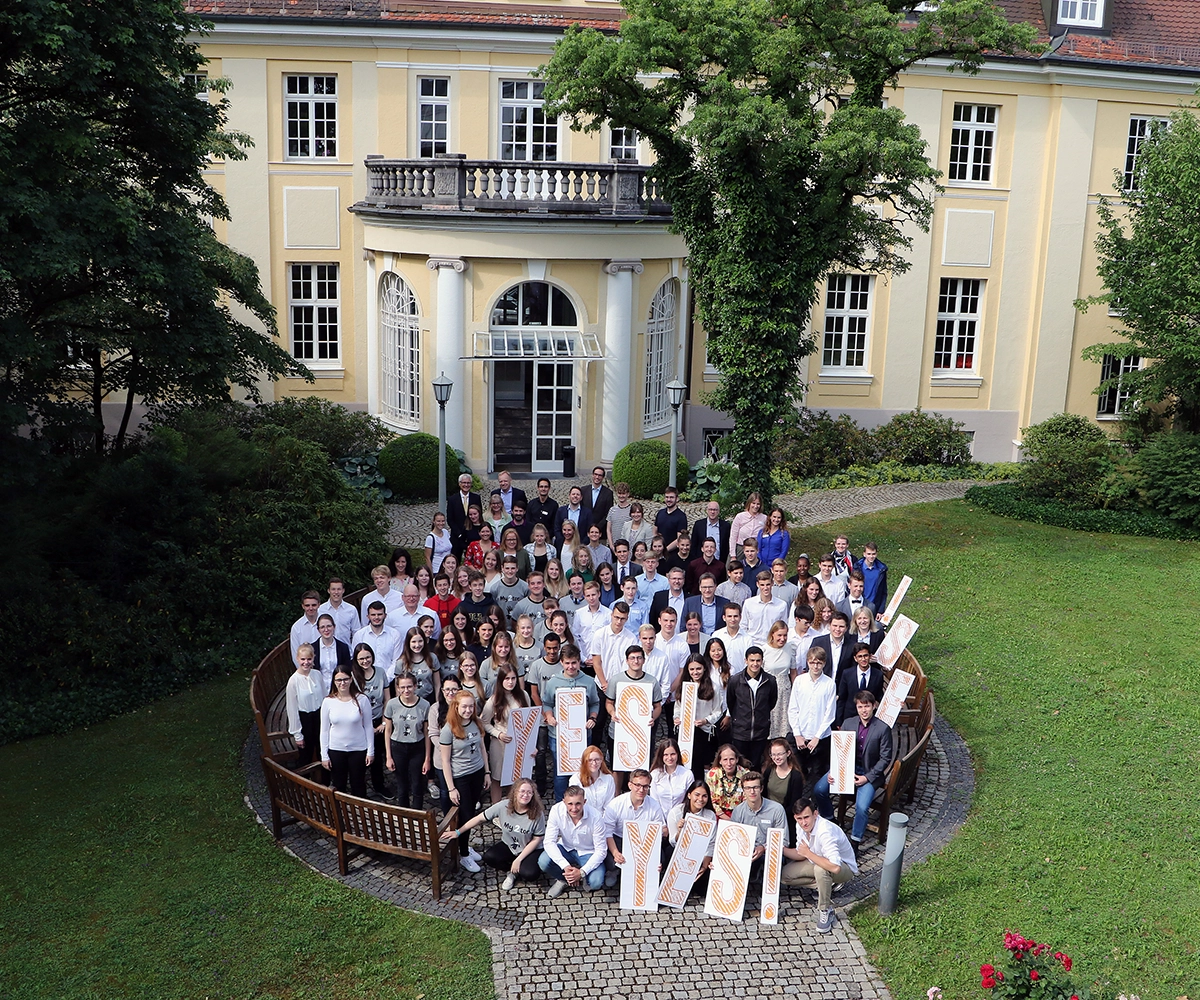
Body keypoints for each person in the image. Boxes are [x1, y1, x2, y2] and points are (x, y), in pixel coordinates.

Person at [813, 690, 894, 850]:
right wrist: (833, 770)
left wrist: (867, 778)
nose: (864, 710)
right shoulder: (848, 723)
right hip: (845, 768)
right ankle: (831, 819)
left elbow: (885, 758)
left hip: (868, 772)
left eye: (867, 706)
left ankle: (855, 841)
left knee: (862, 807)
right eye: (860, 707)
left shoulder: (883, 728)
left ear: (873, 706)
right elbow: (838, 749)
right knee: (819, 789)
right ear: (856, 708)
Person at [782, 796, 859, 934]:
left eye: (807, 817)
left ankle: (825, 909)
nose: (804, 823)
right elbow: (801, 853)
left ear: (815, 814)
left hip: (844, 867)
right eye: (800, 819)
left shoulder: (825, 832)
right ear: (795, 818)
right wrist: (780, 849)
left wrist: (809, 854)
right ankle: (827, 885)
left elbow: (835, 867)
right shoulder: (800, 826)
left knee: (821, 870)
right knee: (785, 876)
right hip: (818, 861)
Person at [539, 643, 601, 800]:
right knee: (560, 773)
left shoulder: (588, 681)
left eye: (574, 663)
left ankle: (580, 801)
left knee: (582, 769)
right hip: (558, 735)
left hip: (582, 734)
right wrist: (549, 716)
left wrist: (592, 717)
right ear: (561, 662)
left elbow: (595, 703)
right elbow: (547, 703)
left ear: (579, 662)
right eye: (567, 663)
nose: (571, 666)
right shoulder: (553, 682)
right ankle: (561, 803)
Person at [439, 690, 491, 872]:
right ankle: (464, 854)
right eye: (464, 707)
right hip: (460, 776)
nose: (468, 710)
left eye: (471, 706)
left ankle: (465, 845)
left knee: (472, 811)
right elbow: (445, 761)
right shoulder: (448, 730)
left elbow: (482, 748)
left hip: (477, 772)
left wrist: (487, 772)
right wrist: (451, 788)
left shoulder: (476, 723)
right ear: (456, 707)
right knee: (466, 814)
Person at [604, 643, 663, 790]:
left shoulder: (651, 681)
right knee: (618, 766)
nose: (636, 661)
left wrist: (653, 718)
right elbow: (609, 702)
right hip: (618, 730)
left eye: (638, 658)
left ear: (643, 660)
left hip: (641, 732)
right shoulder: (616, 680)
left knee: (640, 766)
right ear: (627, 660)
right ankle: (617, 795)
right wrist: (612, 713)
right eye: (632, 658)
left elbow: (657, 706)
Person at [539, 784, 607, 897]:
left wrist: (581, 872)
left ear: (584, 802)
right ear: (564, 801)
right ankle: (565, 879)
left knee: (596, 882)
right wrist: (565, 866)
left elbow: (601, 851)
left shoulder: (596, 816)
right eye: (570, 804)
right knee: (543, 861)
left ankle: (581, 877)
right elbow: (549, 842)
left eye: (578, 804)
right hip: (566, 847)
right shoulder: (556, 810)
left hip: (588, 851)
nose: (574, 808)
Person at [602, 767, 666, 888]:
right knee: (611, 862)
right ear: (630, 785)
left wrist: (653, 857)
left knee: (660, 859)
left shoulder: (654, 805)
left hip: (644, 841)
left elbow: (659, 833)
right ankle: (614, 871)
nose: (641, 790)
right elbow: (607, 832)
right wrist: (615, 853)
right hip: (620, 838)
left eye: (645, 786)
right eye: (638, 785)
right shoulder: (615, 804)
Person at [320, 664, 374, 797]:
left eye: (345, 679)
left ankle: (360, 813)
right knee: (339, 785)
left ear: (351, 679)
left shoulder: (362, 700)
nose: (342, 683)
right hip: (336, 749)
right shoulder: (328, 702)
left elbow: (368, 726)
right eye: (339, 680)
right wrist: (324, 755)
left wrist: (370, 751)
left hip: (358, 749)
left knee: (358, 784)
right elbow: (324, 730)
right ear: (334, 682)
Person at [480, 664, 531, 803]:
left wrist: (531, 744)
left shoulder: (524, 695)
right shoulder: (494, 700)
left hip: (519, 743)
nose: (510, 682)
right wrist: (498, 734)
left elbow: (530, 719)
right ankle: (496, 809)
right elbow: (484, 722)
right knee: (497, 777)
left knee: (515, 778)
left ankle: (511, 806)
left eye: (513, 678)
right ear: (501, 680)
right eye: (507, 678)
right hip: (500, 743)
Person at [788, 646, 837, 790]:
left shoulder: (829, 684)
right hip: (800, 736)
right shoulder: (799, 681)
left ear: (824, 663)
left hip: (820, 738)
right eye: (812, 662)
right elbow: (793, 708)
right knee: (798, 773)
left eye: (819, 663)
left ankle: (815, 806)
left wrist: (817, 737)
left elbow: (830, 714)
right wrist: (797, 734)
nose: (815, 666)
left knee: (817, 774)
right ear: (807, 662)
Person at [730, 770, 788, 884]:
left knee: (774, 858)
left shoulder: (777, 809)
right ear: (743, 790)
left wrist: (764, 848)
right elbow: (733, 840)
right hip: (747, 853)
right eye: (748, 788)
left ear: (761, 789)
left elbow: (784, 840)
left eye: (755, 787)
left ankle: (768, 890)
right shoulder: (738, 811)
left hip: (770, 852)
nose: (752, 791)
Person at [383, 673, 430, 810]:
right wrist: (388, 756)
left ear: (415, 686)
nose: (406, 690)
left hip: (417, 747)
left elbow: (426, 733)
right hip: (398, 747)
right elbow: (388, 730)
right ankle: (404, 815)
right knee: (402, 784)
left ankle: (417, 814)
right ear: (397, 688)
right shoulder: (392, 704)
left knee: (417, 784)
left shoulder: (424, 705)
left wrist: (427, 758)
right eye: (402, 687)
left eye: (409, 686)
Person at [350, 642, 391, 798]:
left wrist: (383, 722)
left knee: (377, 757)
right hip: (360, 723)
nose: (365, 661)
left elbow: (387, 699)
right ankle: (359, 791)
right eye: (361, 659)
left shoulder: (380, 672)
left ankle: (379, 785)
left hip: (379, 720)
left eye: (368, 657)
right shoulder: (353, 676)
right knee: (361, 757)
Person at [725, 645, 777, 767]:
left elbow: (772, 702)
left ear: (762, 661)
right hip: (740, 732)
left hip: (760, 731)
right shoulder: (735, 680)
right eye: (752, 660)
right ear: (746, 661)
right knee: (741, 765)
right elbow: (731, 702)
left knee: (756, 764)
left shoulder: (770, 680)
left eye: (758, 660)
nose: (755, 664)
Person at [665, 780, 718, 892]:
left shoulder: (710, 815)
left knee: (702, 888)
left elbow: (711, 843)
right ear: (689, 795)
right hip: (679, 852)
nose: (700, 799)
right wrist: (680, 831)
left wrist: (704, 865)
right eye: (697, 795)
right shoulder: (676, 812)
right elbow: (672, 842)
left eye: (704, 796)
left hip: (701, 854)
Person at [286, 643, 325, 768]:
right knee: (306, 756)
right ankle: (306, 783)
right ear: (297, 659)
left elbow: (325, 698)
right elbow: (292, 709)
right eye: (303, 659)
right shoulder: (293, 681)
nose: (306, 662)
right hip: (305, 720)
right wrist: (298, 735)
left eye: (309, 659)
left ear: (313, 658)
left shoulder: (317, 674)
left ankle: (325, 783)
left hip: (319, 718)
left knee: (323, 752)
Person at [762, 738, 807, 845]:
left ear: (788, 753)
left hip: (785, 814)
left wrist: (776, 814)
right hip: (767, 810)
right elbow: (763, 793)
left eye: (780, 754)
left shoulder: (795, 776)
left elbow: (793, 803)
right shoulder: (769, 770)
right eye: (773, 754)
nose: (776, 758)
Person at [761, 620, 797, 739]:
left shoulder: (790, 648)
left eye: (785, 635)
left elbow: (793, 672)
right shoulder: (764, 650)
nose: (782, 638)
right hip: (768, 689)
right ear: (772, 634)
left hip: (784, 690)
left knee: (784, 727)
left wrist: (795, 691)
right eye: (779, 635)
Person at [835, 643, 885, 727]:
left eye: (865, 656)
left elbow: (879, 696)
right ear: (855, 658)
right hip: (850, 717)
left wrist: (896, 703)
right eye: (860, 656)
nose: (863, 659)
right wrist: (839, 722)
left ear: (870, 656)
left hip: (869, 719)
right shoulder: (847, 673)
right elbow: (842, 698)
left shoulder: (878, 674)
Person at [352, 603, 401, 683]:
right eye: (373, 614)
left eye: (379, 614)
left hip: (390, 680)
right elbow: (356, 660)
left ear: (385, 615)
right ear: (368, 616)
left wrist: (385, 679)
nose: (376, 617)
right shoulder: (359, 635)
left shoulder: (395, 634)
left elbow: (396, 661)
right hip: (365, 681)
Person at [810, 610, 856, 684]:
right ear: (829, 626)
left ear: (846, 628)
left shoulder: (852, 646)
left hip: (841, 688)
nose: (837, 629)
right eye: (835, 626)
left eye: (841, 626)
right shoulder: (818, 642)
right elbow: (810, 663)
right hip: (820, 685)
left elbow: (852, 671)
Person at [648, 737, 690, 815]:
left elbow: (688, 801)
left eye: (673, 754)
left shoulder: (687, 774)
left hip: (679, 818)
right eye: (666, 755)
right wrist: (663, 824)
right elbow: (654, 801)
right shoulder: (654, 774)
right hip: (659, 817)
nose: (669, 758)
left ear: (678, 754)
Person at [705, 744, 747, 820]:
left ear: (737, 759)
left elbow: (747, 800)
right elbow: (711, 800)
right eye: (725, 760)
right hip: (718, 813)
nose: (729, 763)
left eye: (732, 759)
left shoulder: (745, 774)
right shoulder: (712, 774)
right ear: (720, 761)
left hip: (740, 814)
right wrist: (726, 818)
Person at [683, 573, 729, 637]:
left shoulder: (725, 603)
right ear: (699, 588)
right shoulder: (690, 602)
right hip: (697, 640)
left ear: (715, 587)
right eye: (704, 587)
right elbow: (683, 626)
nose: (707, 590)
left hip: (719, 641)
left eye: (710, 587)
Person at [318, 577, 361, 647]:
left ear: (343, 590)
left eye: (339, 589)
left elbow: (356, 633)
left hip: (347, 653)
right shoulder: (320, 610)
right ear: (328, 591)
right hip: (327, 652)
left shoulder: (351, 610)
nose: (336, 592)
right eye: (333, 589)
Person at [312, 614, 351, 689]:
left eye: (329, 626)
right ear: (318, 630)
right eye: (322, 627)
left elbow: (347, 669)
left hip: (339, 688)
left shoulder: (343, 647)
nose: (326, 630)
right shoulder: (313, 648)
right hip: (319, 687)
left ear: (334, 627)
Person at [577, 742, 616, 816]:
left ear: (601, 760)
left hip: (603, 819)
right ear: (584, 762)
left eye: (597, 759)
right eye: (590, 760)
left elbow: (609, 806)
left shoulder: (609, 779)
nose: (594, 763)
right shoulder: (576, 780)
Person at [448, 473, 482, 557]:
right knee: (455, 559)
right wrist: (459, 533)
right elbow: (450, 519)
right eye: (464, 483)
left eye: (468, 483)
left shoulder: (476, 498)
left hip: (472, 534)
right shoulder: (452, 499)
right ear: (459, 484)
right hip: (457, 535)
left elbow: (479, 515)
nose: (466, 485)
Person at [712, 602, 750, 676]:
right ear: (724, 618)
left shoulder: (747, 638)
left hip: (740, 680)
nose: (733, 619)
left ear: (740, 617)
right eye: (729, 616)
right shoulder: (717, 635)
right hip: (719, 678)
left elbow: (749, 662)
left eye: (735, 616)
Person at [490, 554, 530, 621]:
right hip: (501, 625)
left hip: (520, 625)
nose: (510, 571)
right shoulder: (495, 588)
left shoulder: (525, 587)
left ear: (517, 568)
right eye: (507, 568)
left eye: (513, 568)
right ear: (502, 568)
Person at [648, 567, 687, 633]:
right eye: (674, 578)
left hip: (684, 638)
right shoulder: (659, 597)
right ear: (668, 580)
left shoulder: (690, 599)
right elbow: (652, 619)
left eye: (679, 579)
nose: (677, 581)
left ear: (684, 581)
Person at [289, 590, 322, 668]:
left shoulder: (326, 624)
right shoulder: (296, 627)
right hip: (306, 669)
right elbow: (295, 655)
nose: (310, 608)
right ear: (303, 606)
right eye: (307, 605)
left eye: (314, 605)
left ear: (319, 605)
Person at [855, 542, 889, 614]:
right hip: (859, 605)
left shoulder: (881, 570)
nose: (871, 556)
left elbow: (883, 591)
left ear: (876, 554)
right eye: (869, 554)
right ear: (864, 554)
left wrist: (880, 610)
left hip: (874, 607)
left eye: (873, 554)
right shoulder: (857, 568)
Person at [654, 486, 687, 553]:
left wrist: (665, 550)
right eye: (667, 497)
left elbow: (679, 539)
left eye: (671, 497)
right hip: (659, 552)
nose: (669, 499)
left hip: (672, 553)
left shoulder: (681, 517)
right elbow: (655, 531)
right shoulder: (660, 513)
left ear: (677, 499)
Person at [606, 482, 634, 550]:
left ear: (628, 494)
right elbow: (608, 529)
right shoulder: (612, 510)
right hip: (614, 545)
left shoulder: (632, 510)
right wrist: (611, 544)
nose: (621, 496)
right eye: (619, 493)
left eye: (623, 493)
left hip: (627, 547)